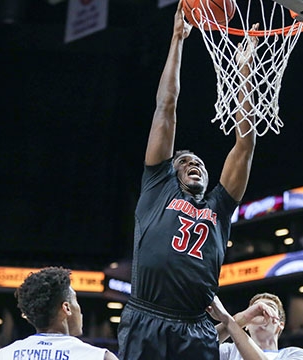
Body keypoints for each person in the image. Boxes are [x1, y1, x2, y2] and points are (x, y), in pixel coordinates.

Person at [116, 0, 258, 358]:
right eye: (185, 161)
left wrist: (244, 75)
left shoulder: (218, 207)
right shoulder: (157, 188)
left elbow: (245, 144)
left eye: (200, 164)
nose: (194, 164)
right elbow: (166, 107)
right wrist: (177, 38)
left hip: (195, 325)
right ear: (170, 170)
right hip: (147, 315)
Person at [0, 267, 118, 360]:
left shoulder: (1, 356)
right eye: (75, 301)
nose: (80, 310)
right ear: (66, 308)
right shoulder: (100, 357)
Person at [211, 293, 303, 360]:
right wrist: (238, 321)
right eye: (255, 309)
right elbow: (197, 347)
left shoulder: (297, 354)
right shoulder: (228, 351)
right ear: (246, 326)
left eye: (270, 308)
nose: (262, 311)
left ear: (280, 325)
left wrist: (228, 320)